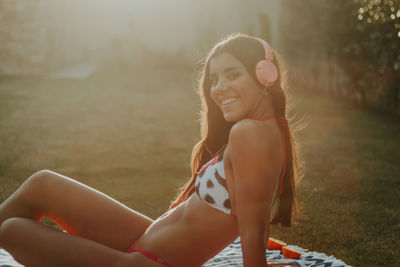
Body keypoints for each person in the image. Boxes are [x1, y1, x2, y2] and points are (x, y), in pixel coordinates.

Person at [0, 33, 299, 267]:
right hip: (146, 238)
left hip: (146, 262)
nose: (219, 89)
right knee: (43, 183)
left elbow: (252, 222)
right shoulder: (269, 131)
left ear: (265, 75)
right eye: (214, 79)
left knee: (12, 230)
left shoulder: (249, 134)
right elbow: (254, 212)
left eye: (233, 75)